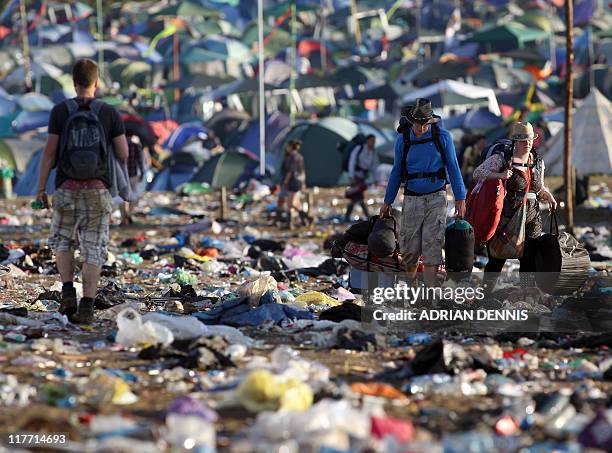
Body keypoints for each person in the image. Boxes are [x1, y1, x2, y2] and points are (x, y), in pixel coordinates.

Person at [35, 59, 129, 324]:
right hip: (98, 191)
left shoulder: (60, 111)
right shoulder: (109, 112)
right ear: (96, 83)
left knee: (62, 242)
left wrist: (41, 188)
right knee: (93, 249)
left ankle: (67, 293)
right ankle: (87, 305)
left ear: (74, 82)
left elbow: (49, 153)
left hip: (65, 189)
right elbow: (123, 152)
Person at [380, 98, 466, 287]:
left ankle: (428, 293)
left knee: (432, 247)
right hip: (411, 197)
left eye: (424, 123)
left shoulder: (443, 136)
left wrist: (461, 197)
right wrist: (388, 201)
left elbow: (453, 166)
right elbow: (396, 172)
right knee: (409, 249)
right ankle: (412, 289)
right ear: (411, 121)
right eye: (417, 123)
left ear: (430, 121)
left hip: (437, 196)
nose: (420, 128)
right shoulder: (403, 140)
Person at [473, 121, 557, 290]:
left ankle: (526, 293)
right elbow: (478, 173)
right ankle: (485, 292)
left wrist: (549, 197)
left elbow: (538, 188)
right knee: (497, 258)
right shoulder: (502, 159)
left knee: (528, 261)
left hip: (531, 218)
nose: (527, 143)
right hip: (506, 217)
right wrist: (501, 174)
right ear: (515, 141)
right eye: (523, 140)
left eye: (530, 140)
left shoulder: (538, 162)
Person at [277, 139, 311, 229]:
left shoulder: (293, 156)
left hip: (293, 182)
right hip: (298, 182)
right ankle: (292, 223)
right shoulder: (299, 156)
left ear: (290, 146)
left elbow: (290, 171)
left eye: (287, 146)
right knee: (290, 203)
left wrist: (285, 182)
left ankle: (304, 217)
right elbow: (302, 171)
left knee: (291, 203)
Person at [345, 134, 379, 222]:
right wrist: (351, 176)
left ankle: (347, 216)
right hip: (355, 175)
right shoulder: (359, 149)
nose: (373, 143)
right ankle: (367, 215)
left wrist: (376, 179)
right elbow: (352, 162)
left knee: (355, 197)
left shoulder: (373, 152)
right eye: (371, 140)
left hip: (362, 176)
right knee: (358, 196)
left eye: (374, 141)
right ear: (367, 140)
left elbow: (374, 167)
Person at [121, 133, 150, 225]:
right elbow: (140, 161)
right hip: (133, 174)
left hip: (122, 175)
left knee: (123, 196)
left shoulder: (120, 146)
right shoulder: (136, 146)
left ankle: (123, 217)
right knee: (133, 195)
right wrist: (142, 173)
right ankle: (129, 213)